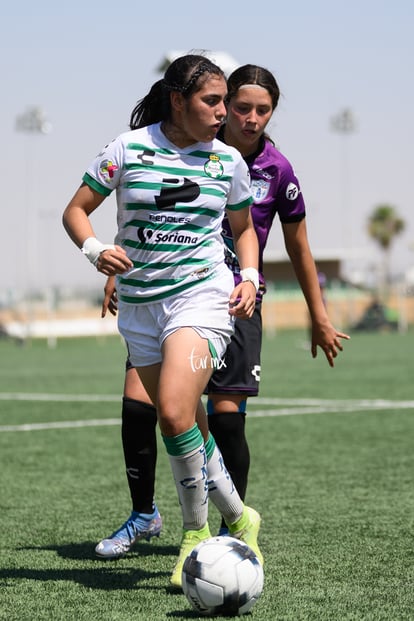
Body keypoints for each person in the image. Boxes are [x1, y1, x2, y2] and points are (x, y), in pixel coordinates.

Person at [93, 62, 350, 560]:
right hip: (160, 298)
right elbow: (147, 218)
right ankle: (145, 514)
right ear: (221, 106)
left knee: (223, 418)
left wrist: (317, 315)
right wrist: (115, 272)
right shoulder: (183, 148)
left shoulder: (274, 171)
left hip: (232, 302)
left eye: (263, 110)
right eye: (240, 107)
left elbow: (298, 248)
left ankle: (229, 529)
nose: (251, 117)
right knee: (142, 407)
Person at [62, 54, 263, 588]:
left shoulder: (228, 162)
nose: (224, 112)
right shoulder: (128, 149)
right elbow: (75, 211)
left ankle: (196, 534)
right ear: (179, 100)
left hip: (202, 299)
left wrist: (248, 276)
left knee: (172, 414)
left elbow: (244, 229)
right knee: (189, 422)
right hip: (140, 307)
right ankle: (242, 517)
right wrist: (95, 251)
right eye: (212, 101)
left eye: (225, 102)